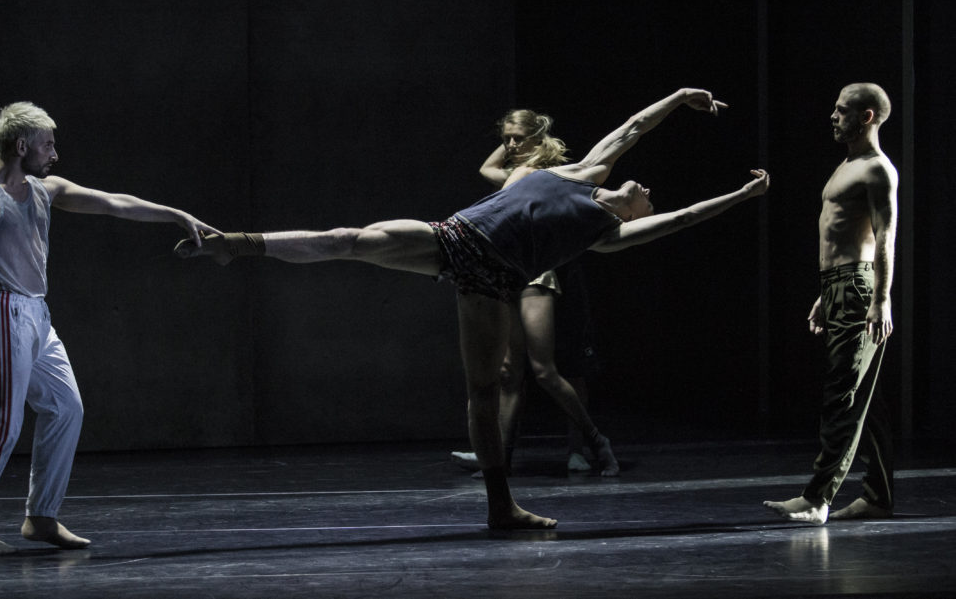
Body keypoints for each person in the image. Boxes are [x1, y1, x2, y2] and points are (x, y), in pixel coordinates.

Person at [176, 88, 770, 530]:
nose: (648, 191)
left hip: (490, 284)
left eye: (649, 200)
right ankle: (237, 244)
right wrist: (682, 96)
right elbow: (635, 127)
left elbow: (686, 218)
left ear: (636, 213)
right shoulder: (574, 170)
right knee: (351, 238)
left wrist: (740, 197)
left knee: (485, 390)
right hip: (452, 239)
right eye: (647, 190)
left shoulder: (608, 234)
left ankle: (499, 506)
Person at [0, 102, 220, 555]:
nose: (55, 154)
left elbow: (114, 204)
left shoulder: (47, 189)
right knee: (2, 423)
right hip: (1, 312)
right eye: (48, 144)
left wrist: (177, 215)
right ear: (21, 146)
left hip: (37, 317)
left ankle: (41, 517)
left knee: (66, 408)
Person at [452, 110, 619, 477]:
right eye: (506, 137)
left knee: (547, 370)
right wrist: (515, 139)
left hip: (543, 273)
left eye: (517, 138)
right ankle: (499, 458)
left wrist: (534, 143)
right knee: (510, 372)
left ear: (538, 138)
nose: (510, 145)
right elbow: (487, 170)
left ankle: (592, 443)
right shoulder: (516, 174)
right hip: (509, 272)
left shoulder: (555, 175)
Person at [764, 83, 898, 526]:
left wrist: (880, 299)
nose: (832, 116)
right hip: (840, 286)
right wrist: (826, 292)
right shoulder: (847, 166)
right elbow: (845, 236)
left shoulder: (877, 170)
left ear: (866, 117)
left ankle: (817, 497)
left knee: (841, 397)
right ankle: (877, 497)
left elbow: (884, 239)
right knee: (865, 400)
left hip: (861, 291)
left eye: (842, 111)